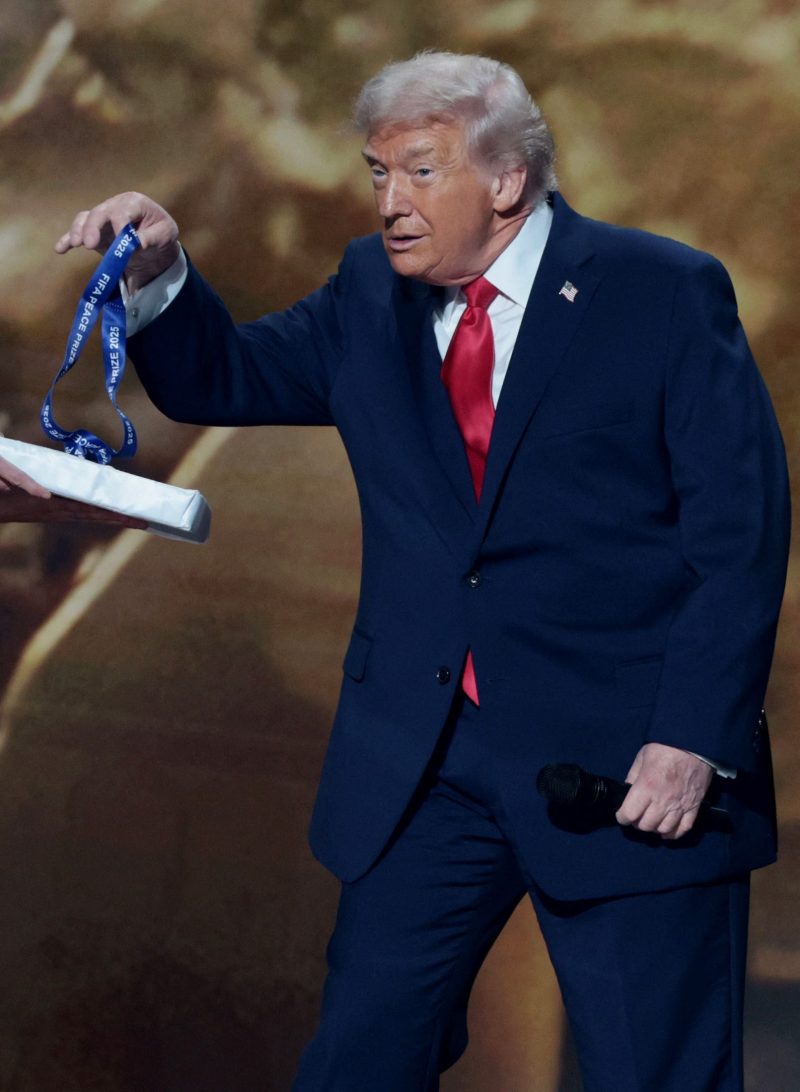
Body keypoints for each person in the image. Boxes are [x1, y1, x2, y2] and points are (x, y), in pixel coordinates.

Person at [55, 51, 790, 1092]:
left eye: (420, 172)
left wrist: (691, 741)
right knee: (358, 1062)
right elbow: (226, 378)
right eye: (377, 172)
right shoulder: (368, 291)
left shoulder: (660, 292)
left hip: (626, 764)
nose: (390, 202)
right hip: (429, 762)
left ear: (507, 180)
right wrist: (161, 275)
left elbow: (740, 536)